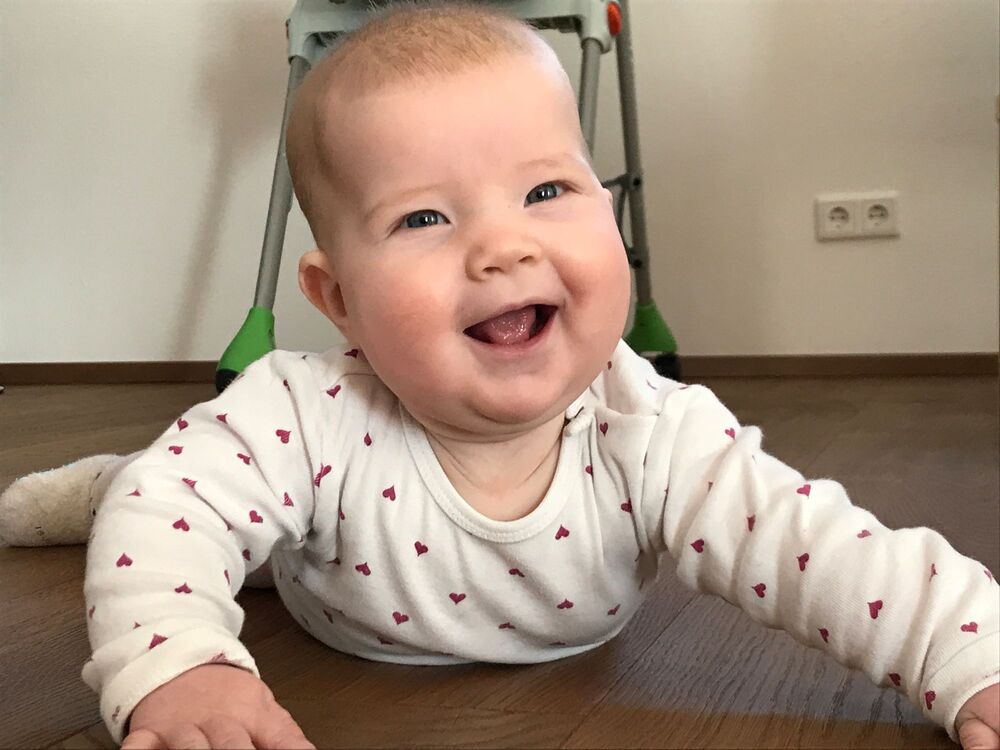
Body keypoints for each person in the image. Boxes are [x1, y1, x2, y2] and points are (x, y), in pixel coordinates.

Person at [2, 1, 997, 747]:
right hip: (317, 570)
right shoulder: (305, 410)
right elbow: (177, 512)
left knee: (236, 513)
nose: (502, 247)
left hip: (337, 544)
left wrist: (973, 655)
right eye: (425, 217)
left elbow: (825, 553)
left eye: (547, 190)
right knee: (176, 502)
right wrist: (179, 668)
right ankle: (104, 487)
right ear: (339, 298)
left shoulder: (653, 433)